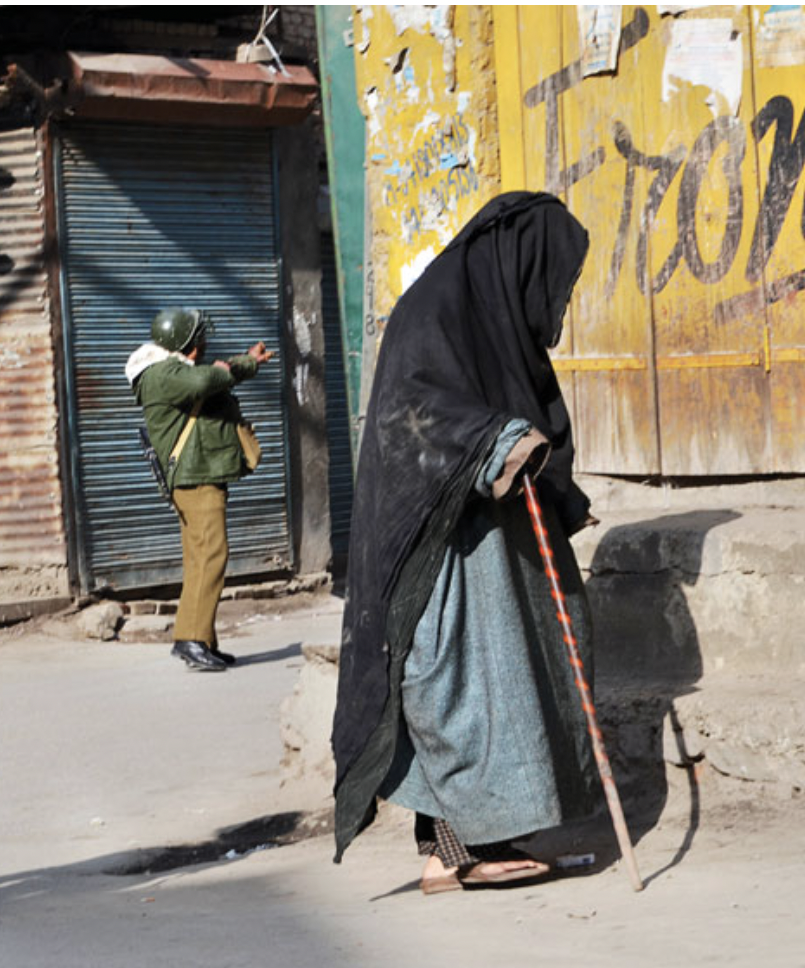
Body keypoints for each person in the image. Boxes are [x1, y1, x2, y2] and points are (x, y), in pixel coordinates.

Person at [330, 192, 602, 894]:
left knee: (503, 678)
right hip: (437, 543)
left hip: (487, 530)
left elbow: (524, 400)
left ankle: (476, 842)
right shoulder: (436, 310)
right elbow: (410, 413)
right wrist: (498, 442)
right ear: (519, 259)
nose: (555, 302)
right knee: (453, 684)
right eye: (551, 280)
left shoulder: (488, 316)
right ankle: (450, 851)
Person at [126, 308, 274, 671]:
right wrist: (230, 368)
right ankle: (190, 639)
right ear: (188, 346)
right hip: (194, 479)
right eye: (200, 340)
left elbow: (215, 378)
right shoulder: (162, 374)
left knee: (200, 561)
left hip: (200, 476)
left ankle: (202, 638)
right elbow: (204, 382)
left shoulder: (175, 369)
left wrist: (248, 362)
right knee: (211, 557)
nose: (205, 345)